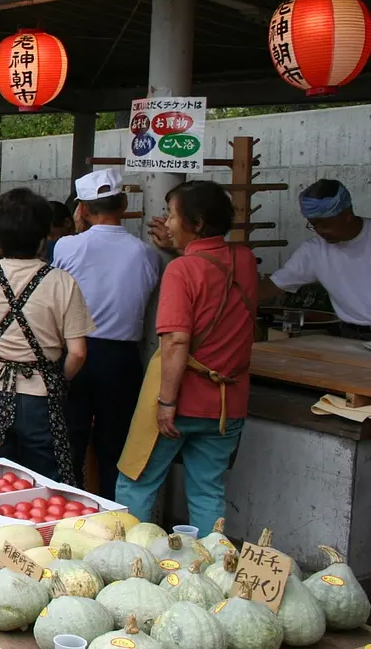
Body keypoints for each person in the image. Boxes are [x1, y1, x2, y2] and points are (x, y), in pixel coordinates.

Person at [117, 181, 257, 533]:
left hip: (181, 399)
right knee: (207, 490)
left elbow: (177, 342)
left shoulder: (181, 270)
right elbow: (212, 271)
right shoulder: (244, 259)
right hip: (228, 404)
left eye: (172, 215)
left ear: (195, 222)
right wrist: (184, 250)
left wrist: (166, 402)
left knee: (136, 482)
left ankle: (130, 565)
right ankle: (212, 570)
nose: (167, 223)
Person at [0, 188, 93, 483]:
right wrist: (57, 378)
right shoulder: (62, 282)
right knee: (45, 482)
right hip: (39, 395)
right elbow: (77, 352)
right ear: (44, 237)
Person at [52, 169, 162, 499]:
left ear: (82, 210)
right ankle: (114, 510)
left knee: (69, 439)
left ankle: (65, 506)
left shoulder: (66, 246)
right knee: (116, 445)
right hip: (123, 358)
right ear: (125, 204)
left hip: (75, 352)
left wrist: (78, 227)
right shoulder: (146, 252)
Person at [257, 179, 371, 339]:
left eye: (324, 224)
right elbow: (277, 283)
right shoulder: (314, 250)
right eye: (313, 224)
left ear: (346, 214)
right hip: (349, 334)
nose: (319, 231)